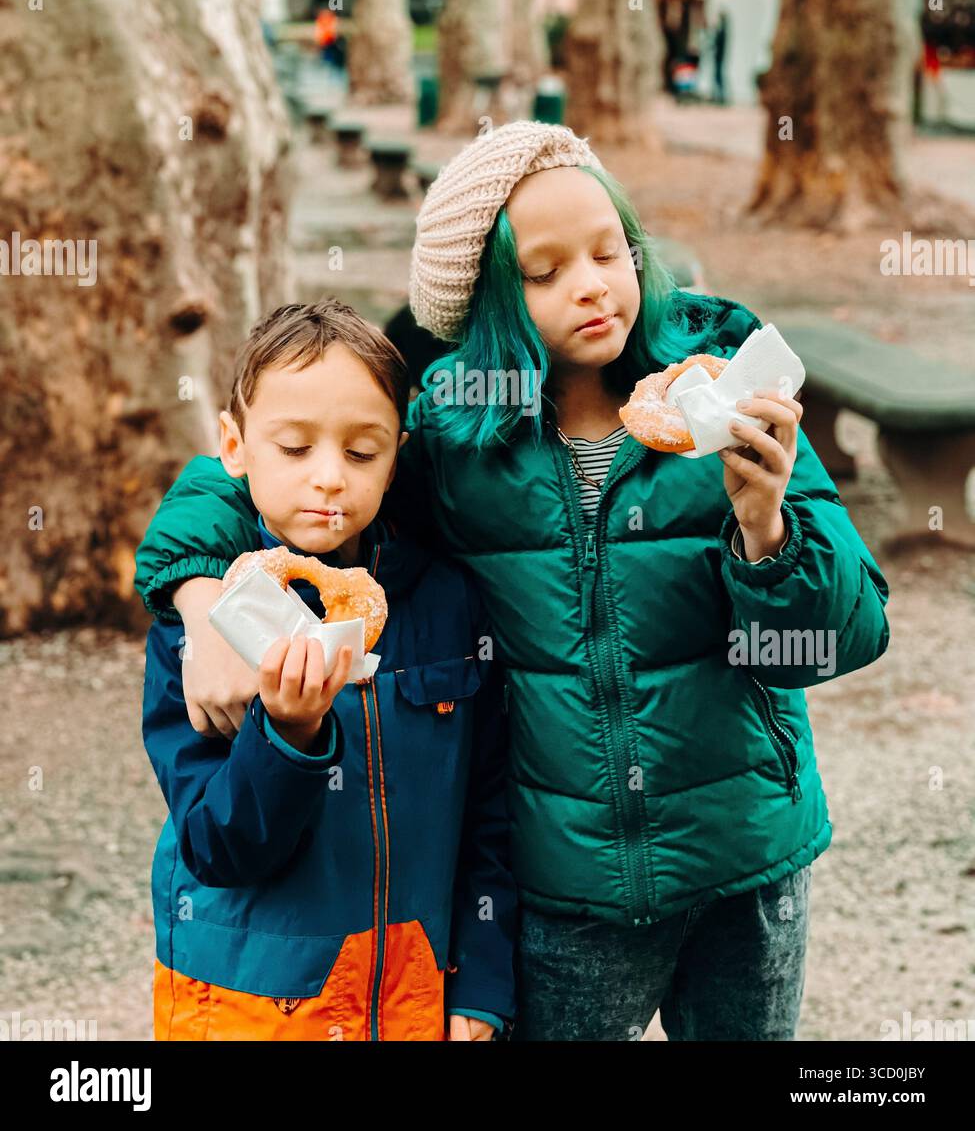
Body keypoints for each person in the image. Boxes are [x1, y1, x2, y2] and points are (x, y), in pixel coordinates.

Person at [135, 122, 891, 1042]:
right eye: (542, 272)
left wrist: (765, 523)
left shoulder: (727, 395)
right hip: (567, 890)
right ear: (488, 299)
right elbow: (270, 475)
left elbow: (848, 635)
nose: (590, 284)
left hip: (748, 859)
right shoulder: (451, 437)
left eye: (609, 250)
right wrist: (197, 595)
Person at [141, 300, 516, 1041]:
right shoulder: (204, 626)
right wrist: (288, 735)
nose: (328, 479)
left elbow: (491, 808)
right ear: (234, 444)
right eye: (293, 447)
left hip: (413, 993)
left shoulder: (447, 603)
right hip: (252, 1005)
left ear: (397, 453)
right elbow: (220, 845)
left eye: (360, 451)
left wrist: (481, 982)